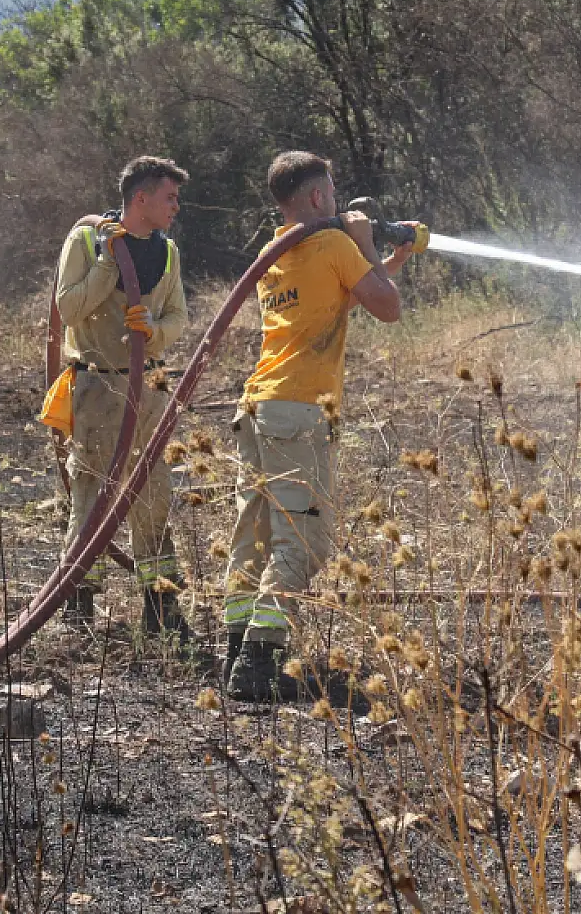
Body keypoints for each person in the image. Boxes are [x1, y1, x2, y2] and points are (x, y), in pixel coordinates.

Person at [222, 151, 418, 701]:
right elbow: (388, 308)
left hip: (258, 407)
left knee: (253, 536)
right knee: (305, 542)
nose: (335, 201)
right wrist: (366, 245)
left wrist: (385, 259)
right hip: (298, 410)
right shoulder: (333, 244)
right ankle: (258, 663)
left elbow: (336, 301)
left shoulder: (275, 250)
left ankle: (233, 652)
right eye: (330, 192)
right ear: (315, 197)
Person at [39, 156, 191, 636]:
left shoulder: (167, 252)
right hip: (96, 386)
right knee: (92, 495)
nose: (176, 207)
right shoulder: (87, 240)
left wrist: (153, 331)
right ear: (140, 199)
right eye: (169, 197)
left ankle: (160, 605)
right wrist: (109, 262)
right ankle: (78, 603)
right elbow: (68, 307)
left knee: (153, 491)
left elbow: (179, 316)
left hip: (147, 387)